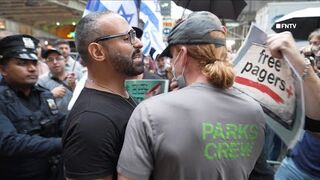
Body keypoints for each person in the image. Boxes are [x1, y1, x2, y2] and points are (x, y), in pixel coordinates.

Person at [117, 11, 266, 180]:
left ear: (182, 54)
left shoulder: (149, 112)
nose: (172, 63)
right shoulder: (254, 110)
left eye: (173, 56)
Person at [62, 11, 144, 180]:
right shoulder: (91, 122)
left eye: (134, 35)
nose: (139, 43)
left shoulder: (119, 97)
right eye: (127, 37)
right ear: (98, 52)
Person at [0, 34, 65, 179]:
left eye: (34, 63)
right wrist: (64, 143)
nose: (31, 69)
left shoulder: (44, 94)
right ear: (3, 69)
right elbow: (9, 142)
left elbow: (60, 120)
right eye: (22, 63)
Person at [273, 31, 320, 179]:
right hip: (298, 163)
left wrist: (303, 66)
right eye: (311, 43)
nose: (313, 47)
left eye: (317, 43)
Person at [38, 48, 76, 114]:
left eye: (58, 58)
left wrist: (74, 86)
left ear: (65, 60)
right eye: (50, 60)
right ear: (46, 63)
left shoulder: (75, 76)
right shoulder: (41, 82)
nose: (55, 62)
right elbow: (37, 105)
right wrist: (50, 95)